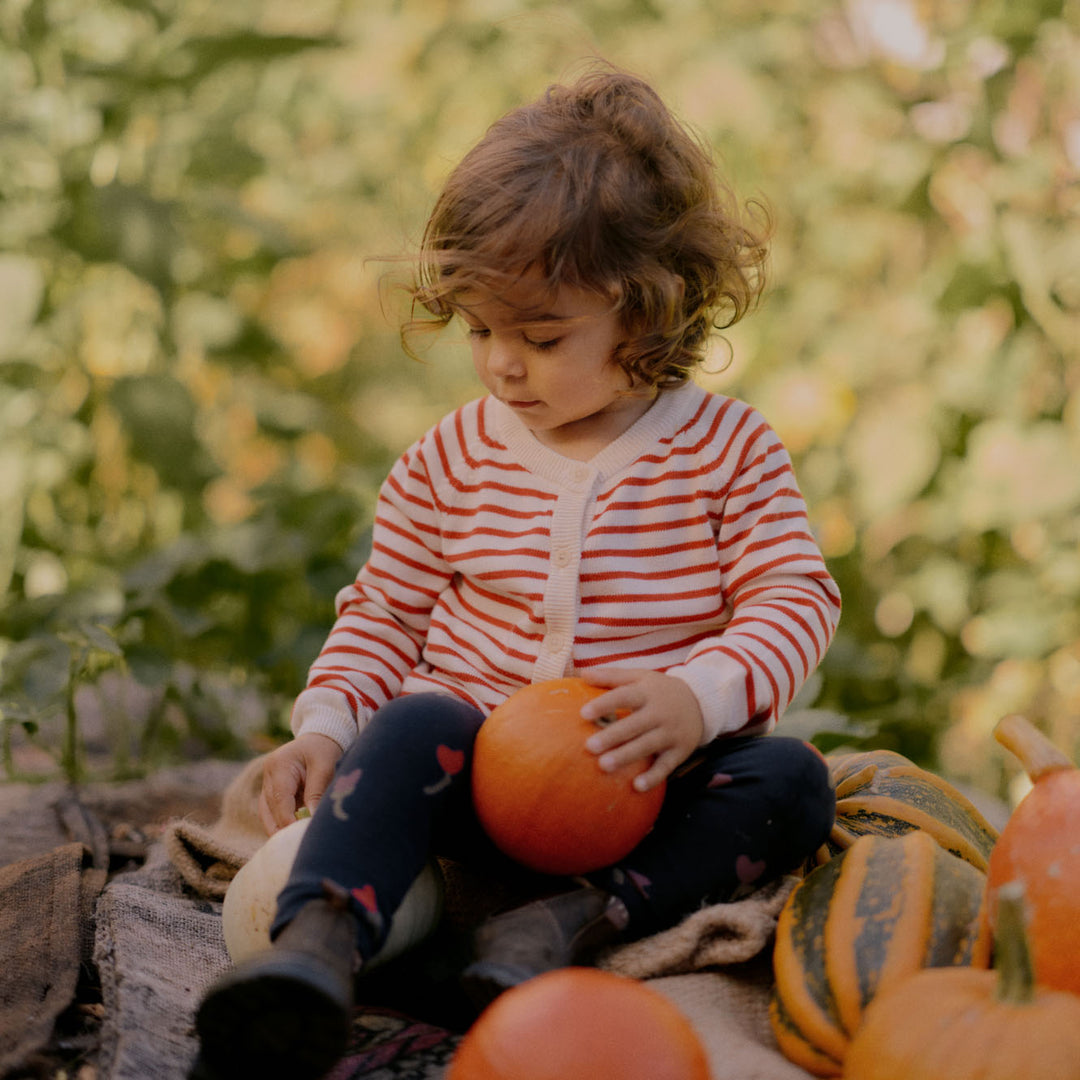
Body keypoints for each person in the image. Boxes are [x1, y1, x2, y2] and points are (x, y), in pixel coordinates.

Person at [193, 64, 841, 1080]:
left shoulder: (728, 452)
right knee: (412, 723)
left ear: (648, 314)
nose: (501, 364)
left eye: (542, 337)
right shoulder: (450, 458)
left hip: (646, 792)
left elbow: (796, 599)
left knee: (793, 785)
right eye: (482, 331)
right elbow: (383, 613)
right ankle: (317, 943)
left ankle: (565, 923)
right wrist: (323, 725)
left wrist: (698, 695)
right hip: (473, 785)